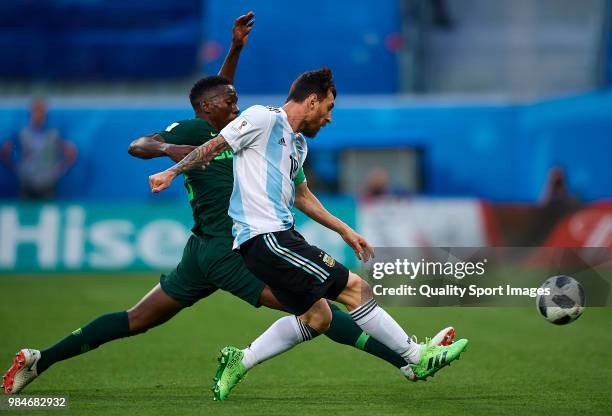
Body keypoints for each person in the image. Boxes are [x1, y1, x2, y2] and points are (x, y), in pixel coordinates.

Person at [2, 13, 454, 396]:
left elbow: (221, 91)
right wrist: (170, 155)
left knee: (137, 319)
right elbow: (139, 144)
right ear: (210, 108)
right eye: (229, 101)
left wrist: (235, 48)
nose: (236, 104)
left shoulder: (241, 129)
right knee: (318, 308)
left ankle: (40, 359)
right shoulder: (197, 132)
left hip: (204, 248)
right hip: (230, 249)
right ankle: (407, 360)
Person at [149, 67, 468, 400]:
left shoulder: (297, 145)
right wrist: (171, 171)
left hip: (272, 241)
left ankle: (240, 360)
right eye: (328, 108)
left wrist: (345, 230)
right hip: (266, 238)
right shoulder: (264, 118)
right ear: (312, 101)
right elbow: (215, 145)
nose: (329, 118)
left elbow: (302, 196)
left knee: (318, 316)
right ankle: (416, 357)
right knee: (356, 288)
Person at [0, 98, 77, 199]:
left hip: (47, 184)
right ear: (31, 113)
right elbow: (5, 151)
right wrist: (17, 169)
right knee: (26, 212)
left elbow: (71, 153)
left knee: (47, 212)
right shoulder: (22, 134)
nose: (38, 116)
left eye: (41, 112)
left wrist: (58, 171)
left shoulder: (53, 134)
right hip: (27, 183)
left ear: (45, 114)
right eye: (36, 112)